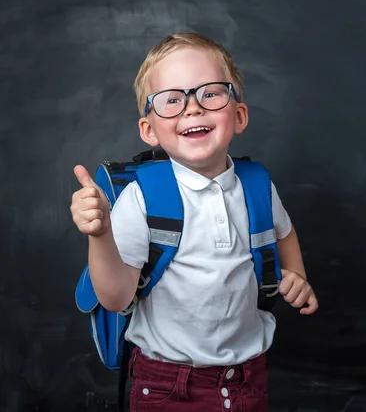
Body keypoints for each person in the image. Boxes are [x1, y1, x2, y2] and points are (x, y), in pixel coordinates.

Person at [70, 32, 319, 411]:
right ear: (149, 129)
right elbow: (116, 297)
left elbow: (283, 233)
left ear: (239, 116)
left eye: (210, 93)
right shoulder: (143, 197)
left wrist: (296, 274)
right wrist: (101, 235)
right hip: (168, 385)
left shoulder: (257, 186)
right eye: (171, 100)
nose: (192, 108)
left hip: (248, 378)